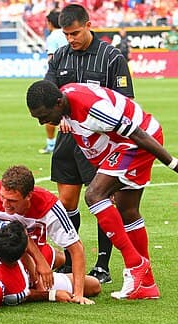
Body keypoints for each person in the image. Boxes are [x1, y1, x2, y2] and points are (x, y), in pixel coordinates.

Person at [26, 80, 178, 299]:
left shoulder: (94, 110)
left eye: (43, 116)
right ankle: (146, 285)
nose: (42, 122)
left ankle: (135, 263)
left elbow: (138, 134)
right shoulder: (66, 106)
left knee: (93, 195)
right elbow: (93, 145)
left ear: (58, 102)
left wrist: (175, 165)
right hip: (122, 144)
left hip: (138, 141)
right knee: (127, 210)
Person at [44, 4, 134, 283]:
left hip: (99, 142)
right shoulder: (60, 56)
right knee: (67, 202)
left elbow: (125, 100)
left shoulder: (111, 57)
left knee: (100, 201)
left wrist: (97, 124)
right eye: (67, 34)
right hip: (68, 139)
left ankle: (102, 266)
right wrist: (59, 118)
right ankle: (71, 260)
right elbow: (48, 93)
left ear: (88, 24)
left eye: (75, 33)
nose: (71, 39)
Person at [0, 165, 93, 304]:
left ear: (29, 195)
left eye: (12, 201)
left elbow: (76, 248)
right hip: (7, 255)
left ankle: (56, 260)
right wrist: (51, 293)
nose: (5, 205)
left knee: (93, 286)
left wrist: (78, 294)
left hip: (37, 251)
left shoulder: (50, 208)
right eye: (2, 197)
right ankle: (48, 266)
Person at [0, 220, 101, 305]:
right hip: (31, 281)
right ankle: (59, 261)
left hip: (32, 267)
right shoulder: (14, 290)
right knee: (94, 285)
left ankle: (59, 259)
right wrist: (51, 295)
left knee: (57, 257)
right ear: (24, 251)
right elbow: (28, 294)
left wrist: (39, 262)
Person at [39, 9, 67, 155]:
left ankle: (51, 144)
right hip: (71, 76)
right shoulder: (67, 33)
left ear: (50, 23)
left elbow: (52, 59)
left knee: (50, 109)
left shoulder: (52, 37)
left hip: (58, 78)